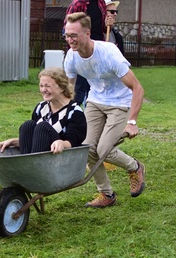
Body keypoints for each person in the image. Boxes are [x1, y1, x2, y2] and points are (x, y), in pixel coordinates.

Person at [63, 12, 146, 208]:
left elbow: (137, 88)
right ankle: (106, 194)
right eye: (67, 35)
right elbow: (70, 89)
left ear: (87, 33)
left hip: (120, 102)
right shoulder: (71, 57)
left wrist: (132, 121)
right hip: (95, 101)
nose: (70, 40)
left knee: (104, 150)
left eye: (74, 35)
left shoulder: (109, 54)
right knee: (87, 149)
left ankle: (135, 167)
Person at [0, 67, 87, 155]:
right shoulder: (41, 107)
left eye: (47, 86)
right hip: (40, 153)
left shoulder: (74, 111)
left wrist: (61, 143)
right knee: (28, 125)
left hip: (60, 157)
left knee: (43, 127)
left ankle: (33, 167)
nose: (43, 90)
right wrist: (13, 142)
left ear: (62, 88)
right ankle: (28, 165)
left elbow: (74, 142)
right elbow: (36, 139)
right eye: (41, 86)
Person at [64, 0, 107, 107]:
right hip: (81, 50)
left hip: (96, 51)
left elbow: (103, 29)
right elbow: (68, 28)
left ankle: (92, 111)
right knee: (79, 87)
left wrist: (107, 24)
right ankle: (73, 113)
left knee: (95, 86)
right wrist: (75, 50)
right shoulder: (77, 4)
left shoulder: (101, 3)